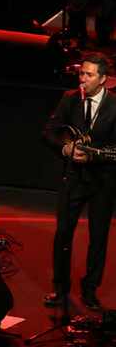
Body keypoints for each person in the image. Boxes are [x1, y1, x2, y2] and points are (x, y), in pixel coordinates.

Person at [43, 53, 116, 311]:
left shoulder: (114, 105)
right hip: (73, 177)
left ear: (104, 79)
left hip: (103, 181)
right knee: (63, 233)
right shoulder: (70, 99)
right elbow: (49, 132)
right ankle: (60, 289)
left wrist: (94, 155)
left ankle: (90, 290)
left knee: (98, 238)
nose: (82, 79)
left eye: (89, 75)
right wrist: (66, 149)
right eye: (81, 73)